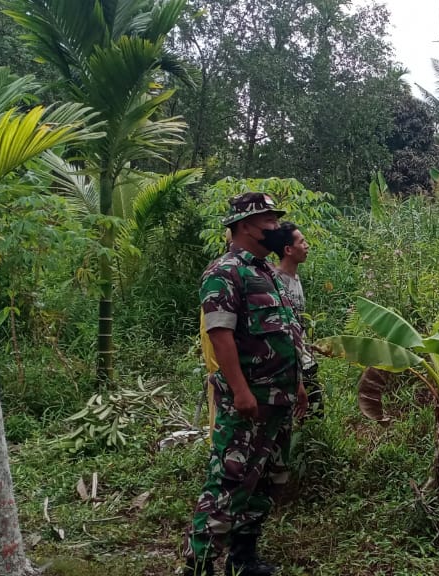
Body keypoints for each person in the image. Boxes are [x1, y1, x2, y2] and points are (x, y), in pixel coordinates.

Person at [182, 192, 308, 576]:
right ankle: (199, 563)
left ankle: (243, 557)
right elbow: (220, 335)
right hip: (250, 399)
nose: (276, 226)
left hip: (280, 396)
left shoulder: (267, 271)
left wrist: (298, 384)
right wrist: (239, 390)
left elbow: (286, 331)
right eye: (268, 220)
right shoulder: (225, 272)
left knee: (268, 479)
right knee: (229, 481)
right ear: (245, 226)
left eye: (275, 219)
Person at [267, 221, 322, 419]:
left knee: (315, 413)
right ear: (288, 250)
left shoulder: (295, 278)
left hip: (304, 359)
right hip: (289, 363)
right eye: (302, 242)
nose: (306, 246)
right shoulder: (276, 281)